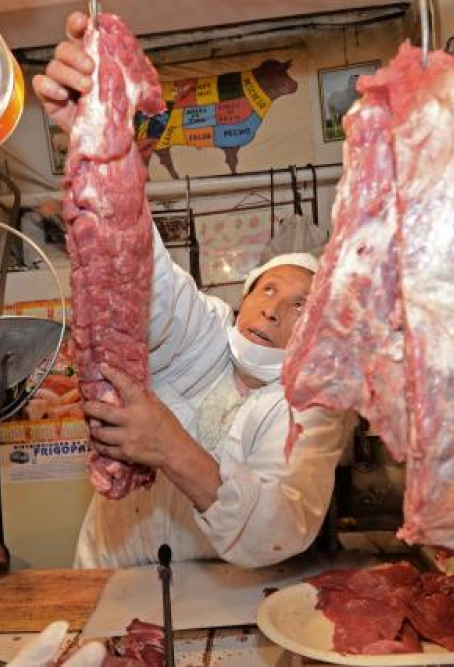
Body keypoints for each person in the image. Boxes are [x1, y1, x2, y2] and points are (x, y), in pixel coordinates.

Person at [32, 12, 353, 569]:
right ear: (244, 299)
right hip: (105, 577)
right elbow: (142, 277)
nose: (274, 308)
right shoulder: (203, 337)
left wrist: (170, 447)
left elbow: (284, 523)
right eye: (268, 289)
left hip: (217, 606)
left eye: (301, 304)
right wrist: (97, 139)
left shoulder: (313, 410)